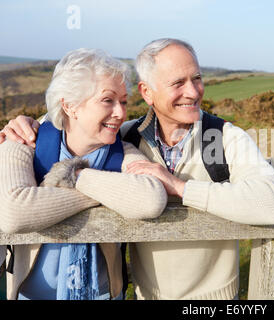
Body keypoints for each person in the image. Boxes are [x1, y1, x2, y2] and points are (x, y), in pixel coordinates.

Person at [0, 38, 274, 300]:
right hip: (143, 295)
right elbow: (75, 128)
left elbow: (273, 205)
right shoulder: (127, 135)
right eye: (178, 83)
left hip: (212, 300)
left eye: (197, 78)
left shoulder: (224, 137)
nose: (193, 91)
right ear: (147, 92)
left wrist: (179, 188)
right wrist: (25, 123)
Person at [0, 48, 168, 300]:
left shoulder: (122, 151)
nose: (120, 113)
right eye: (107, 100)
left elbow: (151, 199)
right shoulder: (23, 142)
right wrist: (107, 194)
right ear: (69, 106)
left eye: (123, 101)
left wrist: (77, 177)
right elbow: (13, 213)